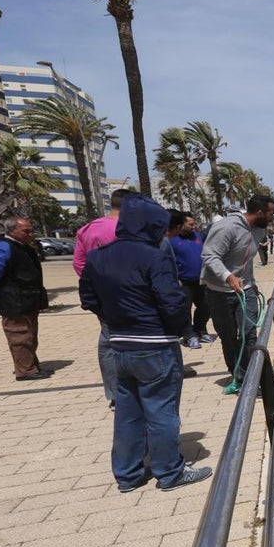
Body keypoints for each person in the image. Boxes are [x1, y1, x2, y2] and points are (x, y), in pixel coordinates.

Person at [79, 193, 212, 493]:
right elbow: (172, 301)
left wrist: (114, 319)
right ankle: (170, 472)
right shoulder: (155, 256)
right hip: (156, 345)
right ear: (151, 225)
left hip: (120, 345)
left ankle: (127, 474)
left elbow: (87, 298)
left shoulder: (98, 255)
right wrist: (180, 328)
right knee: (162, 410)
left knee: (128, 411)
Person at [202, 194, 274, 390]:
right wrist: (228, 276)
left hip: (246, 290)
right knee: (229, 337)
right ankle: (238, 376)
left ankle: (251, 378)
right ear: (259, 212)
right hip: (219, 292)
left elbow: (246, 260)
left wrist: (251, 281)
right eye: (270, 213)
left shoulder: (259, 230)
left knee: (249, 334)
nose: (272, 217)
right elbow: (210, 256)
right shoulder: (227, 228)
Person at [0, 216, 51, 380]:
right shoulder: (0, 248)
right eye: (26, 231)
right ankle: (25, 371)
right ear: (11, 230)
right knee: (20, 336)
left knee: (30, 336)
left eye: (32, 230)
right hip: (13, 301)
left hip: (29, 300)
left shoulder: (24, 247)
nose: (31, 234)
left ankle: (31, 365)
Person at [74, 188, 130, 404]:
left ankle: (115, 393)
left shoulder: (88, 228)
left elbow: (78, 262)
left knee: (108, 340)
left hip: (101, 296)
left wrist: (95, 284)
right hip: (127, 294)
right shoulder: (126, 229)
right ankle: (129, 391)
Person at [169, 210, 214, 347]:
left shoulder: (197, 236)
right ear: (181, 225)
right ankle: (189, 335)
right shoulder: (172, 239)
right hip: (184, 282)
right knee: (185, 309)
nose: (193, 227)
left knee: (206, 306)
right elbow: (169, 260)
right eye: (190, 224)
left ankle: (200, 329)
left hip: (201, 280)